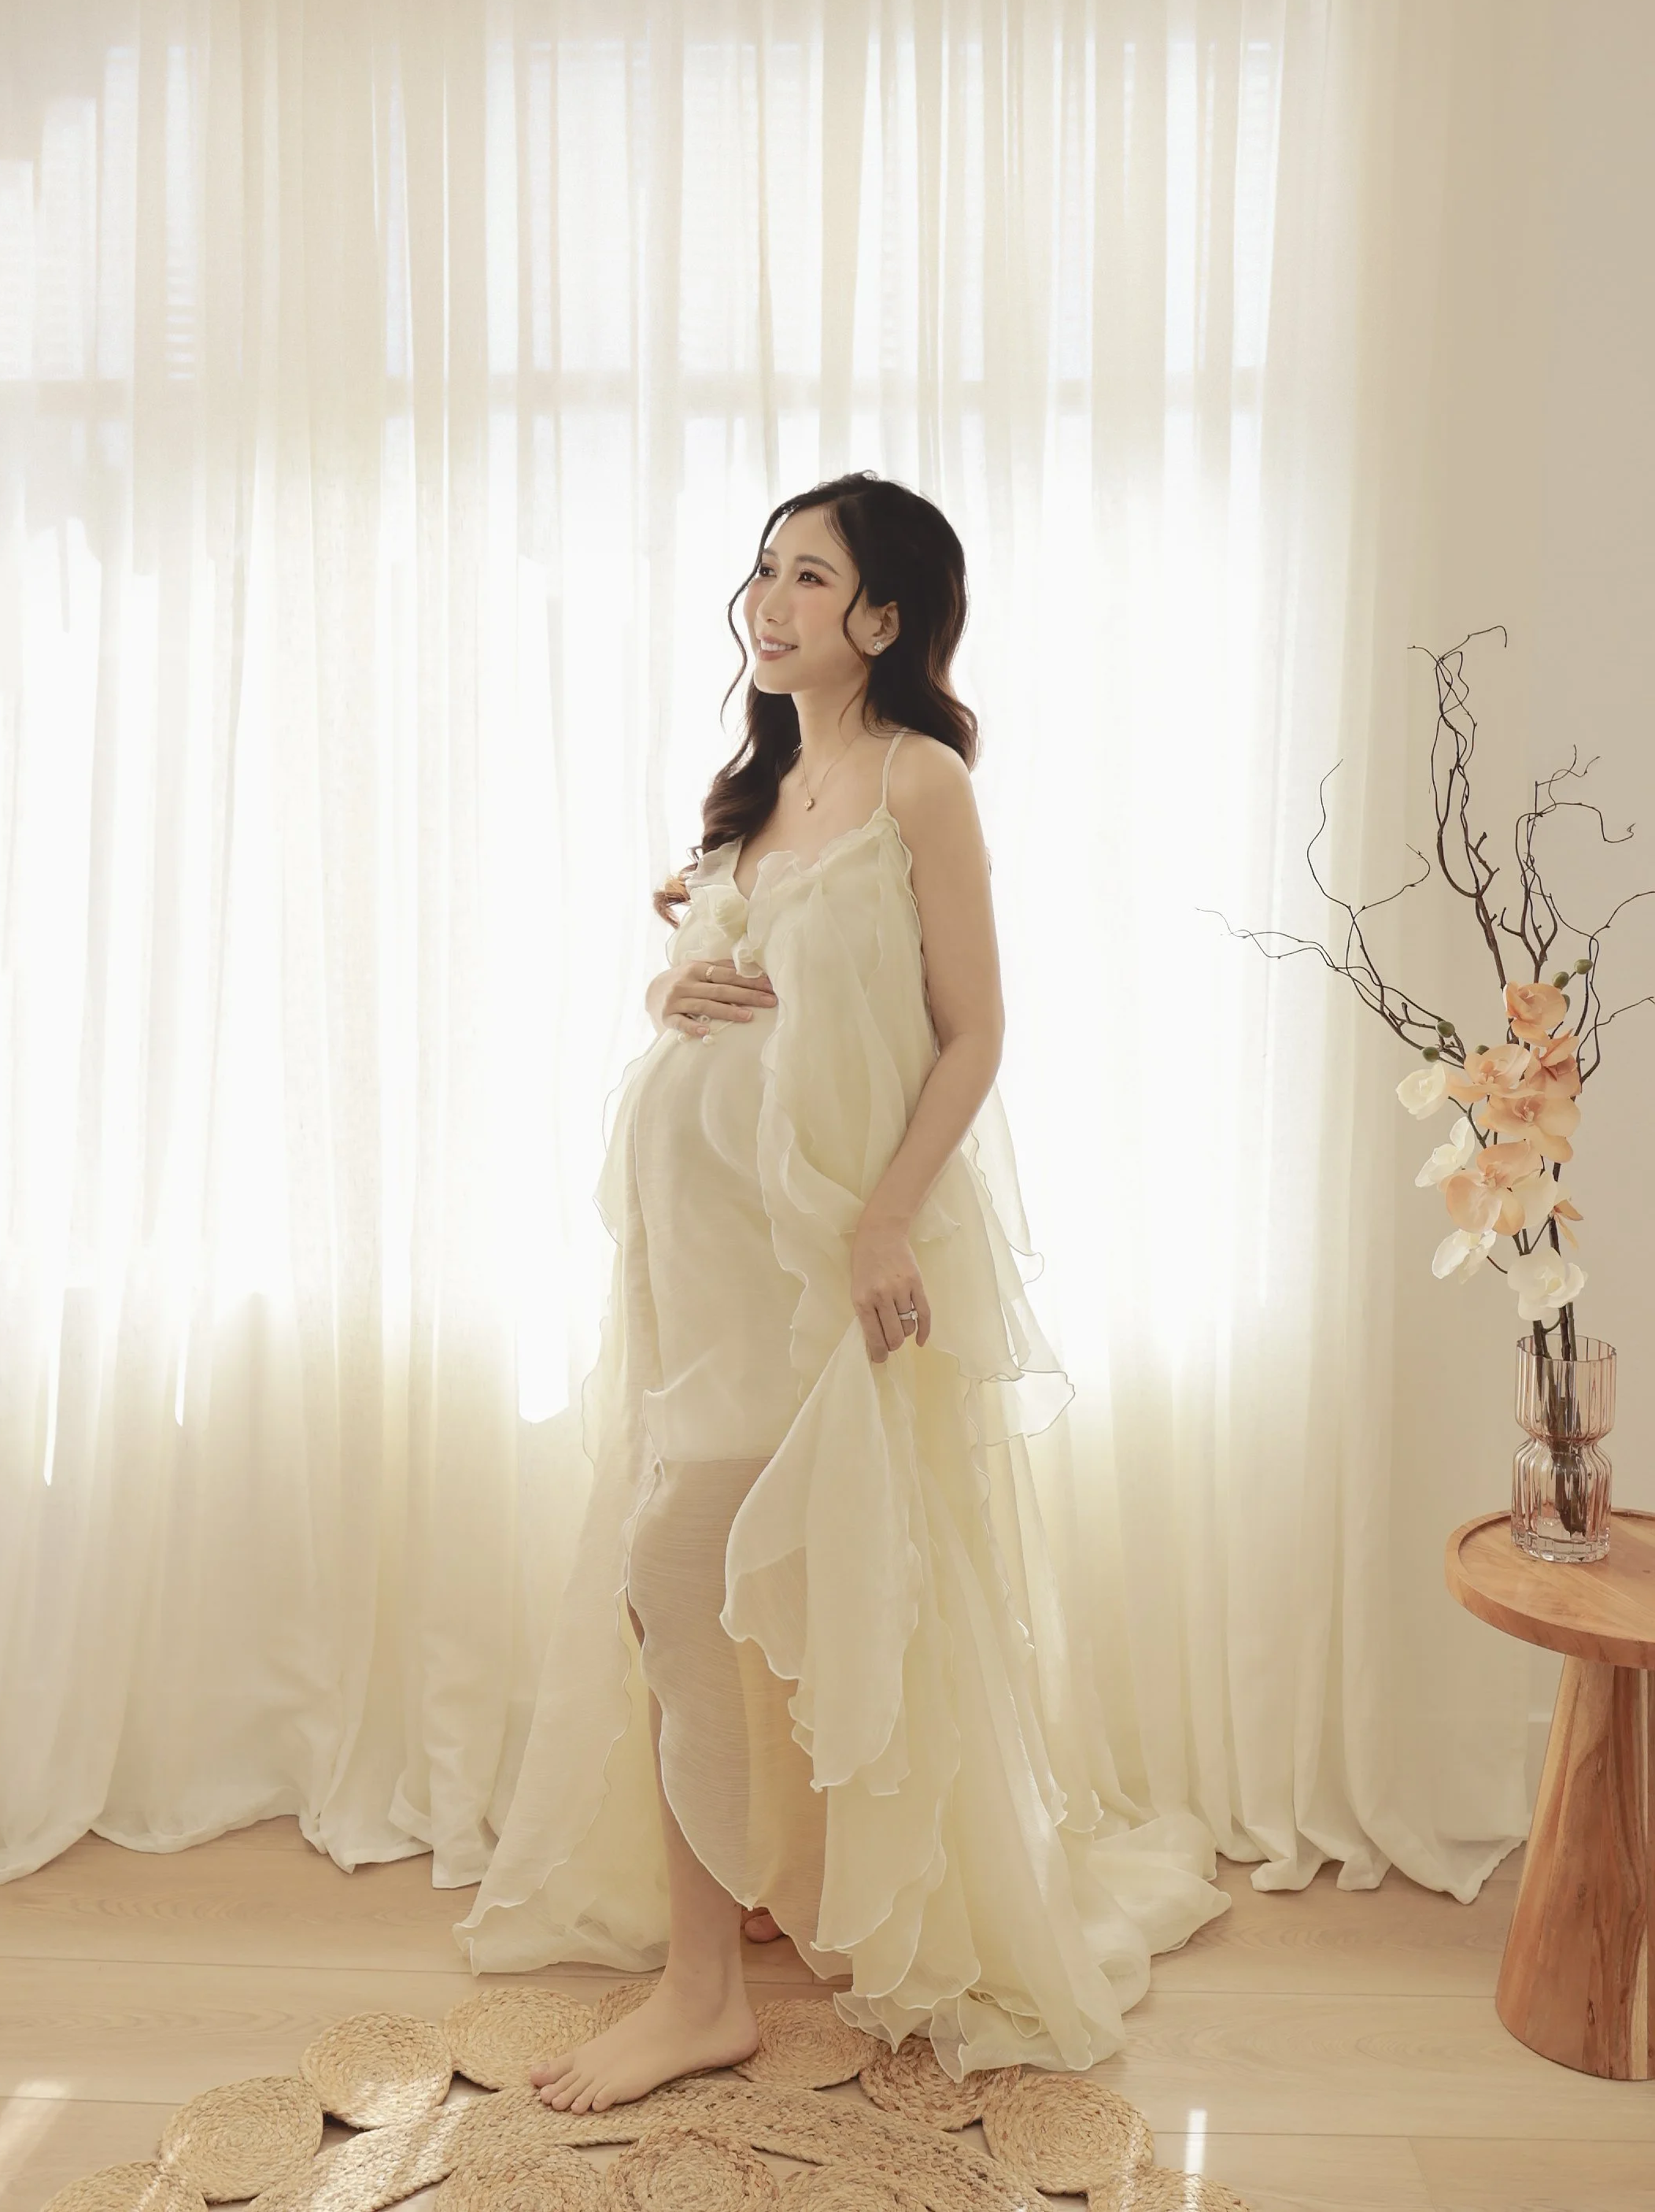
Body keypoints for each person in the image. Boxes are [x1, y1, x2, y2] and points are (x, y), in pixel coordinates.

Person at [456, 472, 1228, 2113]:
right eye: (760, 568)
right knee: (682, 1587)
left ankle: (700, 1990)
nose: (766, 597)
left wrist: (885, 1223)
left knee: (726, 1580)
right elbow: (743, 1008)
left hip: (821, 1276)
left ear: (882, 619)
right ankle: (726, 1932)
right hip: (707, 1274)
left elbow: (972, 1031)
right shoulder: (758, 793)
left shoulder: (916, 782)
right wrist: (683, 975)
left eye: (805, 576)